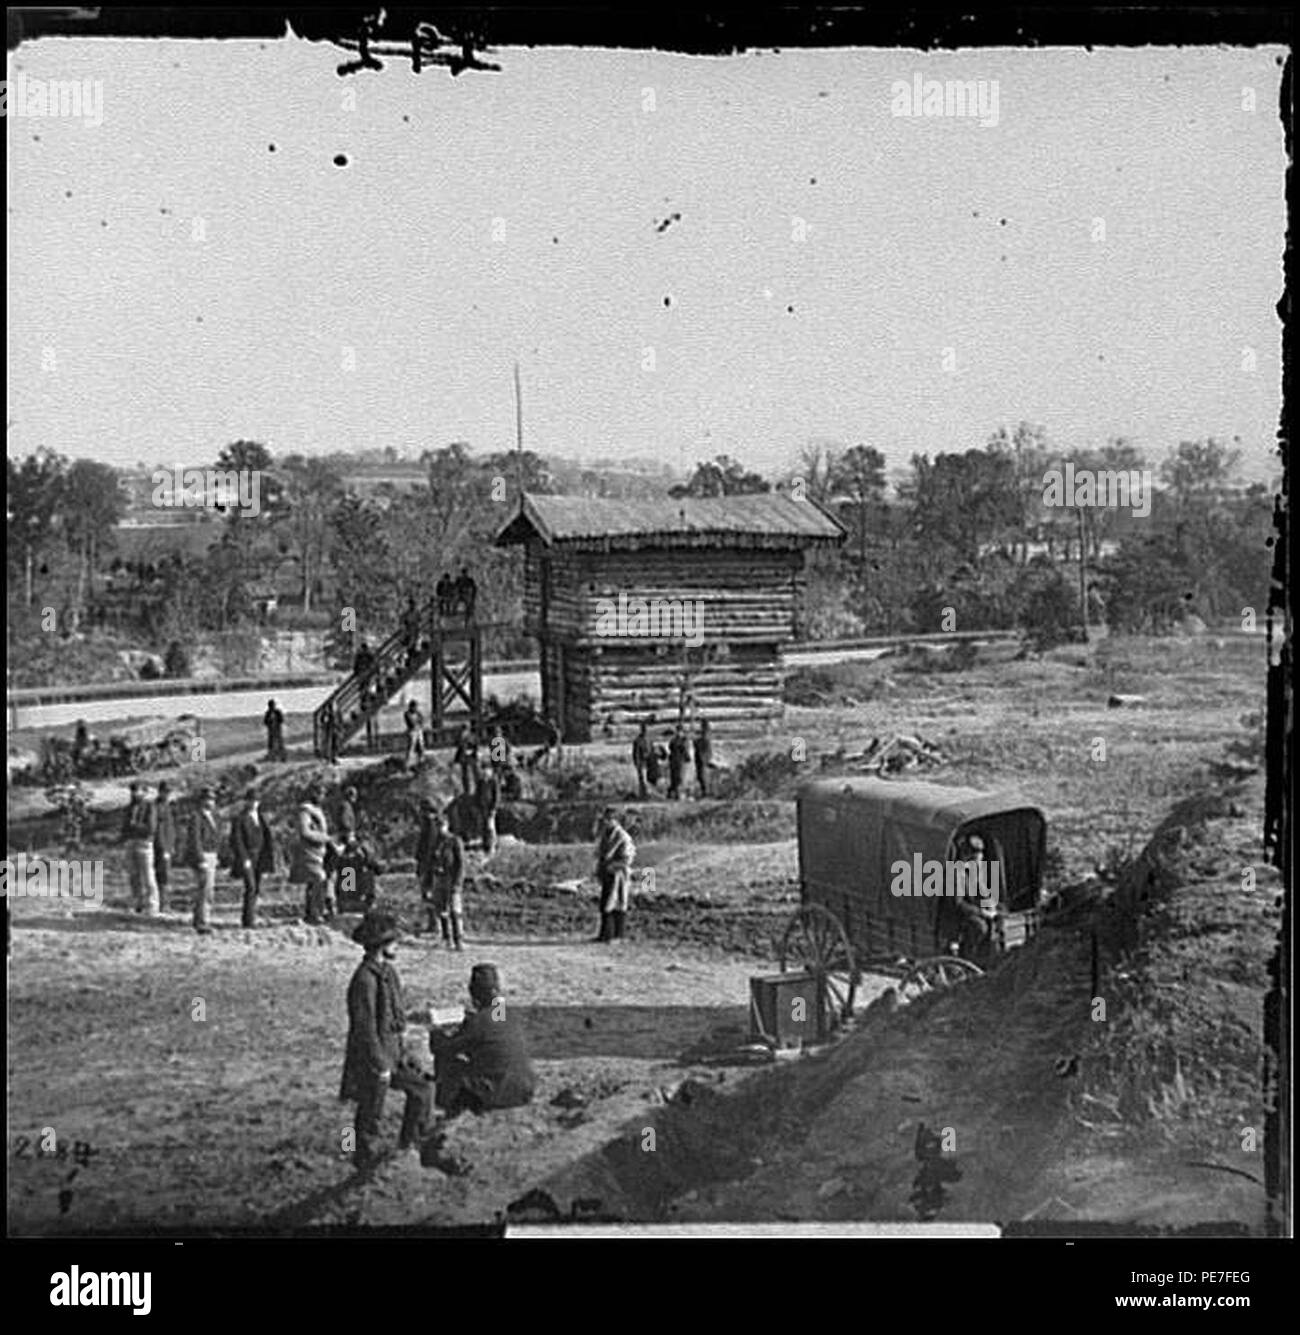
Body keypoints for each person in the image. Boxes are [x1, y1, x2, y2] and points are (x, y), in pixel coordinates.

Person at [340, 910, 433, 1170]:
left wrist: (406, 1051)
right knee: (371, 1112)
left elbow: (397, 1014)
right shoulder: (364, 981)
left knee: (423, 1089)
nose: (398, 946)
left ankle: (408, 1146)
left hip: (395, 1052)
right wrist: (380, 1065)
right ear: (382, 945)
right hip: (373, 1057)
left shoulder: (389, 973)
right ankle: (361, 1159)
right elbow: (365, 1029)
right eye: (394, 942)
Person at [428, 964, 536, 1116]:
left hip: (496, 1093)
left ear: (474, 994)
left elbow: (443, 1048)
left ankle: (444, 1102)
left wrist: (436, 1030)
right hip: (524, 1089)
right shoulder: (507, 1013)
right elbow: (494, 1027)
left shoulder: (479, 1021)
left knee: (447, 1060)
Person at [419, 806, 466, 947]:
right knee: (441, 909)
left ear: (447, 825)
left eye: (442, 825)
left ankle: (458, 939)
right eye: (438, 826)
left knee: (455, 910)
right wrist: (427, 882)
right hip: (438, 878)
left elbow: (461, 864)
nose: (440, 829)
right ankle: (447, 939)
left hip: (451, 878)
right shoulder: (435, 843)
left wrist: (457, 883)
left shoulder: (455, 841)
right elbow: (429, 862)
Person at [230, 787, 276, 928]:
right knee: (250, 886)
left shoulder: (261, 818)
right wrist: (244, 859)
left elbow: (268, 838)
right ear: (246, 801)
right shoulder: (240, 818)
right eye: (251, 800)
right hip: (248, 856)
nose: (254, 803)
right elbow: (236, 840)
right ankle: (248, 921)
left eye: (256, 800)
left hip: (260, 856)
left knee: (256, 888)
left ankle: (250, 917)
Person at [292, 781, 335, 924]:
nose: (322, 797)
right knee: (318, 879)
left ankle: (322, 909)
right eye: (320, 794)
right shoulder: (306, 810)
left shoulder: (319, 810)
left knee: (325, 879)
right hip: (310, 850)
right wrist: (327, 838)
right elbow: (305, 831)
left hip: (322, 850)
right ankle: (315, 912)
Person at [593, 806, 636, 943]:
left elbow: (627, 857)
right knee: (605, 903)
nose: (606, 822)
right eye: (605, 819)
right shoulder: (606, 835)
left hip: (618, 874)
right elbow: (601, 854)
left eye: (609, 819)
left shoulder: (622, 836)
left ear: (616, 821)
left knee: (616, 902)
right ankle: (605, 934)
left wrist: (613, 866)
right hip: (608, 873)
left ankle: (617, 935)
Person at [183, 786, 220, 934]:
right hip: (203, 855)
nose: (211, 802)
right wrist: (201, 859)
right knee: (205, 889)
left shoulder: (213, 816)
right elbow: (195, 840)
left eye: (212, 799)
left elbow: (216, 837)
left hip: (212, 854)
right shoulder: (197, 817)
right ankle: (203, 921)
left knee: (207, 889)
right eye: (208, 799)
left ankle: (200, 919)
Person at [121, 780, 159, 916]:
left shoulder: (149, 807)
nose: (135, 793)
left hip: (144, 843)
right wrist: (130, 830)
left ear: (144, 792)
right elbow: (124, 828)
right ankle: (137, 903)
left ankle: (152, 905)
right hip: (130, 842)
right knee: (133, 875)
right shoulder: (128, 808)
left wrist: (134, 826)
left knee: (148, 875)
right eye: (133, 790)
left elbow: (151, 828)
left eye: (138, 790)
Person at [335, 833, 384, 913]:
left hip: (343, 903)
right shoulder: (360, 856)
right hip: (357, 902)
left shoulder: (340, 857)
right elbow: (377, 869)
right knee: (369, 874)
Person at [153, 780, 177, 911]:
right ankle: (163, 904)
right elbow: (159, 830)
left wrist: (172, 845)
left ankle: (165, 903)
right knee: (162, 875)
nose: (167, 794)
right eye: (165, 791)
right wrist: (164, 848)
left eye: (169, 792)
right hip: (161, 846)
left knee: (166, 875)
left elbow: (171, 828)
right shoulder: (157, 807)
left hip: (168, 845)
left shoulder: (168, 806)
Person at [476, 765, 499, 856]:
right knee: (483, 827)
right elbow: (477, 794)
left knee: (490, 827)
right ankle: (485, 845)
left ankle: (492, 846)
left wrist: (493, 808)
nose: (485, 772)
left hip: (490, 808)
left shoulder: (493, 782)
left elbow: (496, 796)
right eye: (484, 770)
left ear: (490, 771)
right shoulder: (480, 782)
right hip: (482, 808)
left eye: (487, 770)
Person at [453, 725, 479, 795]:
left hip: (471, 757)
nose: (463, 732)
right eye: (462, 731)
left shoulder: (472, 737)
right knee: (464, 775)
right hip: (463, 758)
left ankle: (478, 788)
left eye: (464, 730)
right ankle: (466, 790)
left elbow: (475, 746)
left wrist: (471, 751)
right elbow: (457, 745)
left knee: (475, 773)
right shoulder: (460, 737)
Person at [667, 726, 691, 801]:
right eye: (677, 731)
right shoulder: (674, 740)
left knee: (680, 778)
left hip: (681, 762)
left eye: (680, 731)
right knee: (674, 778)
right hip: (674, 761)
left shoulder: (684, 740)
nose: (678, 733)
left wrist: (687, 758)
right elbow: (670, 748)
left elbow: (685, 750)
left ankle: (679, 794)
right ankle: (674, 794)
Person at [403, 699, 426, 772]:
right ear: (411, 706)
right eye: (415, 707)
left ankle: (420, 762)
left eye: (416, 707)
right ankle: (408, 764)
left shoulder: (418, 713)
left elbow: (422, 720)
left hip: (419, 731)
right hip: (412, 732)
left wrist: (419, 723)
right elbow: (411, 723)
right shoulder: (407, 713)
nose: (416, 708)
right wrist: (418, 723)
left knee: (421, 746)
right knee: (411, 747)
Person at [694, 718, 713, 797]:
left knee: (702, 775)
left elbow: (704, 746)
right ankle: (704, 791)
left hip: (702, 758)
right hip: (701, 757)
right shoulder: (705, 736)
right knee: (701, 775)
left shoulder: (705, 737)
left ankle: (705, 792)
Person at [631, 721, 651, 798]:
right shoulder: (638, 741)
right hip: (641, 762)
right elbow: (636, 753)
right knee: (643, 779)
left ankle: (644, 793)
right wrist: (637, 762)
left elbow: (650, 750)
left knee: (645, 779)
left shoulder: (648, 740)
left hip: (648, 762)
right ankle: (644, 794)